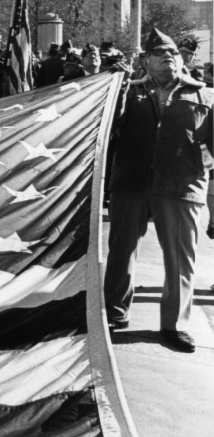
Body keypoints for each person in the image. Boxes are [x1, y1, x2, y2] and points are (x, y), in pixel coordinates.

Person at [103, 27, 214, 353]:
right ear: (145, 61)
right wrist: (114, 87)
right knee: (121, 251)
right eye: (159, 55)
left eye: (173, 55)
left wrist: (201, 165)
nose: (168, 59)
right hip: (132, 181)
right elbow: (108, 131)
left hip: (181, 185)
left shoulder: (204, 94)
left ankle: (175, 325)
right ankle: (114, 313)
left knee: (180, 259)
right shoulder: (127, 91)